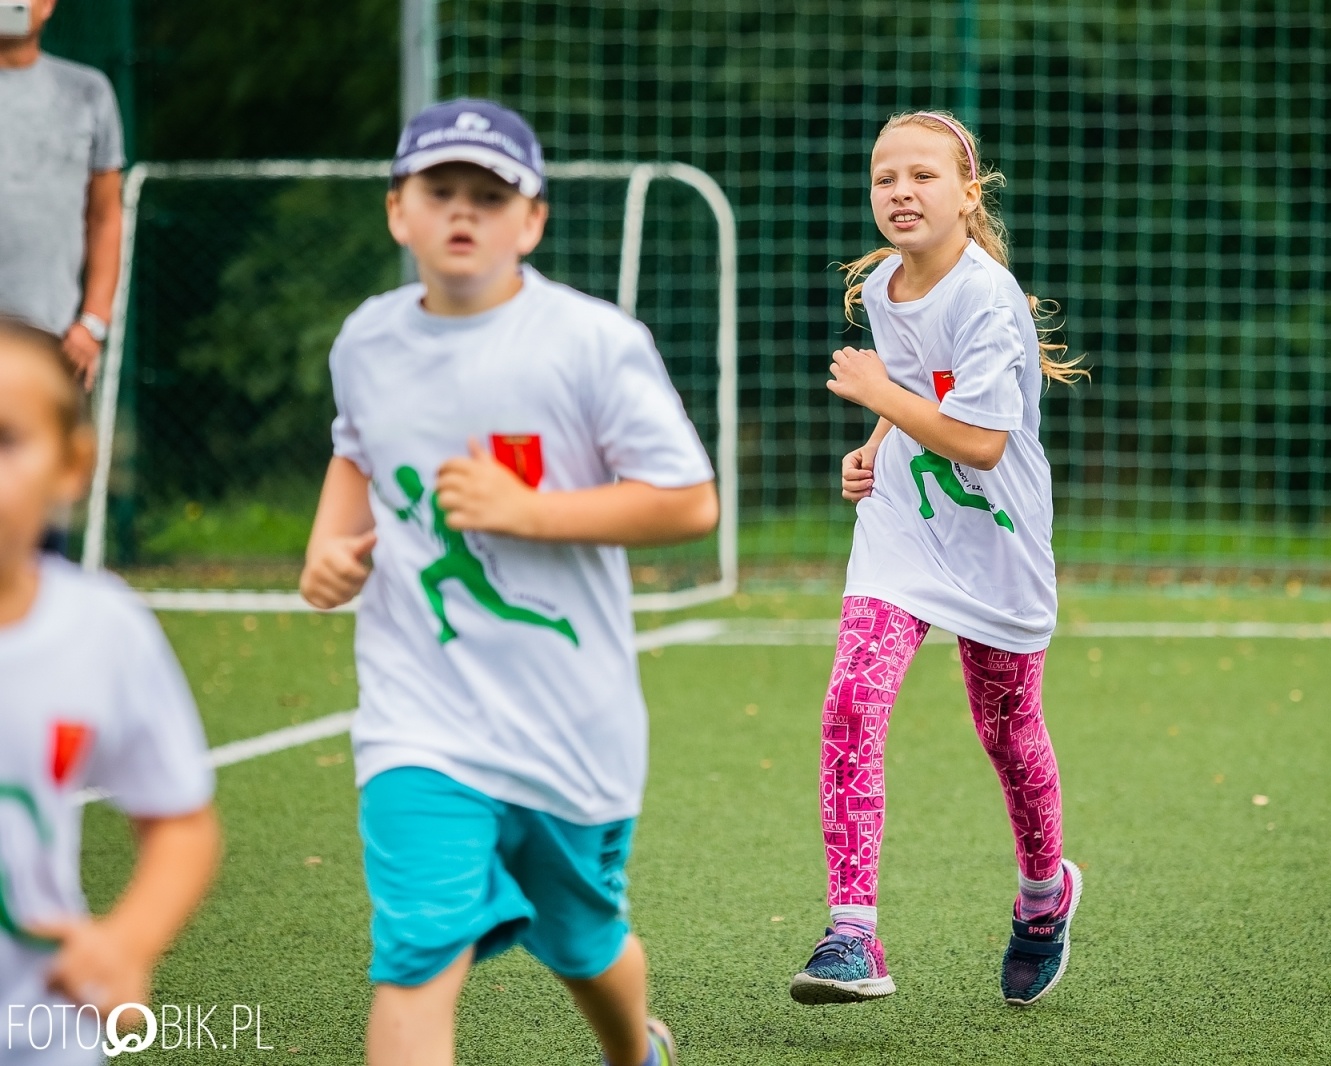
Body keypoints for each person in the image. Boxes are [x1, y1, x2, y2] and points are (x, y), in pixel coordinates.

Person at [299, 98, 717, 1066]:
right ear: (398, 210)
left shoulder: (590, 341)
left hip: (570, 725)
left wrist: (530, 511)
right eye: (439, 190)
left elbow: (689, 501)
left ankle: (632, 1051)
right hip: (418, 719)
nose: (463, 211)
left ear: (530, 222)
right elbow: (354, 449)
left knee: (585, 941)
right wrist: (330, 545)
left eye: (490, 196)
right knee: (416, 954)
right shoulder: (366, 339)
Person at [788, 110, 1089, 1009]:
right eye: (885, 178)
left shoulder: (989, 298)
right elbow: (920, 384)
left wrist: (881, 394)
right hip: (904, 529)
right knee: (853, 698)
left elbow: (985, 446)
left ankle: (1044, 897)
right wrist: (877, 440)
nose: (900, 193)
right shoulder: (886, 285)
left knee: (1007, 732)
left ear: (968, 193)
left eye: (922, 176)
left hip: (995, 545)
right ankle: (852, 935)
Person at [0, 317, 220, 1062]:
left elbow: (180, 823)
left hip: (42, 1035)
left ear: (71, 465)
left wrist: (128, 942)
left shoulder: (102, 630)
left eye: (4, 440)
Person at [0, 0, 125, 390]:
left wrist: (92, 323)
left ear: (48, 5)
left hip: (53, 343)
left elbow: (106, 217)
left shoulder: (88, 92)